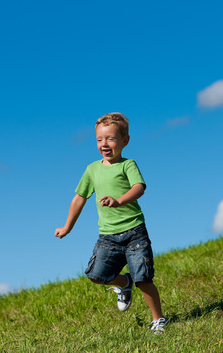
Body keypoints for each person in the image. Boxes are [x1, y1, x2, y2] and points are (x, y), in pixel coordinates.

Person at [55, 112, 167, 334]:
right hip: (108, 236)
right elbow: (79, 198)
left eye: (110, 139)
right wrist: (67, 226)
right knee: (96, 275)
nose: (104, 144)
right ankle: (123, 283)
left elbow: (139, 187)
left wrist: (119, 201)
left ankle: (158, 320)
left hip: (134, 231)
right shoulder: (92, 170)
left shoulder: (128, 165)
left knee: (143, 278)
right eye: (99, 139)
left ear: (125, 141)